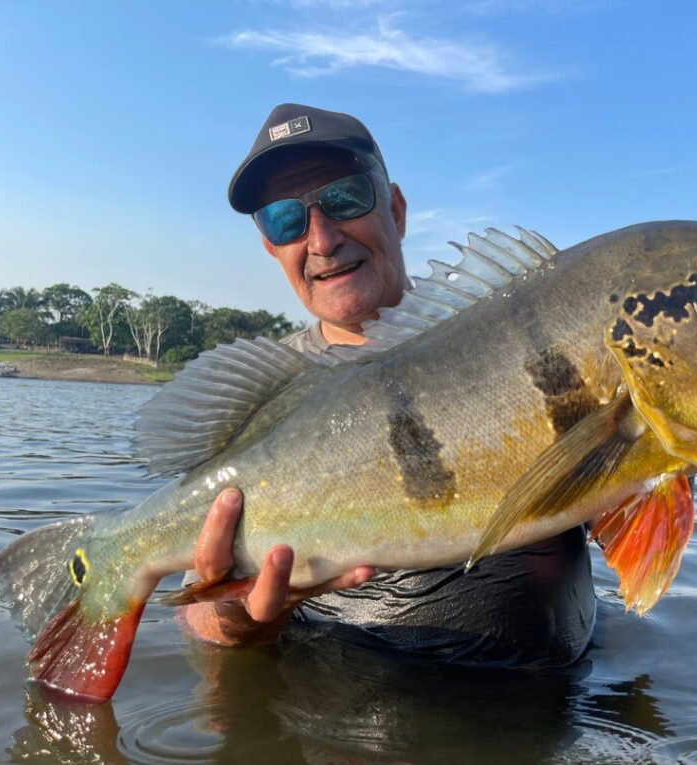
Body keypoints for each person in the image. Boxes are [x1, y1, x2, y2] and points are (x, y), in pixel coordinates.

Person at [181, 104, 595, 665]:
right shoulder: (261, 402)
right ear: (271, 247)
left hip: (548, 716)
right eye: (284, 219)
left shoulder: (527, 341)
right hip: (334, 706)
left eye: (346, 199)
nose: (322, 239)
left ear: (396, 210)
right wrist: (235, 613)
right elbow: (197, 616)